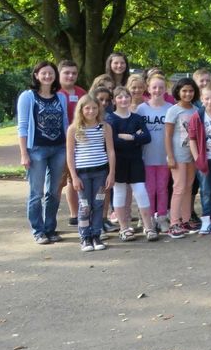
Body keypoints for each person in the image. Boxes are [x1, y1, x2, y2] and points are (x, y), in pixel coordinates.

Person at [18, 61, 70, 245]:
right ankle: (38, 230)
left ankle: (50, 228)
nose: (47, 76)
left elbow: (65, 124)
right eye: (43, 73)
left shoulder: (60, 97)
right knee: (36, 193)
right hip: (36, 150)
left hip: (59, 149)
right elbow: (23, 127)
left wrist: (69, 148)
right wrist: (24, 153)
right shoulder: (28, 97)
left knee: (54, 192)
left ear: (55, 76)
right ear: (36, 75)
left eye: (50, 73)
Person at [66, 94, 115, 252]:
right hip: (82, 174)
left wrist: (111, 173)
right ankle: (85, 237)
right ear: (81, 110)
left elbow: (110, 151)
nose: (91, 111)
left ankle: (96, 234)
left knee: (98, 204)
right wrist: (73, 176)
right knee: (85, 206)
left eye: (94, 108)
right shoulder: (74, 129)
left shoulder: (104, 127)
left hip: (100, 172)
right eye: (87, 108)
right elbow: (70, 154)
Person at [107, 86, 156, 241]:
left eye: (126, 96)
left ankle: (148, 226)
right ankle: (124, 228)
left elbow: (147, 137)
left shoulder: (136, 118)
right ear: (114, 100)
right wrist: (136, 136)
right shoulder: (110, 119)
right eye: (120, 97)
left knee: (141, 191)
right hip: (119, 161)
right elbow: (113, 142)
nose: (124, 100)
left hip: (135, 160)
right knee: (120, 192)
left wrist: (130, 137)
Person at [188, 85, 211, 235]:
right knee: (205, 191)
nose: (210, 101)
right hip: (204, 159)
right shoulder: (197, 116)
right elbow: (192, 139)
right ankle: (206, 219)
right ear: (202, 99)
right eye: (207, 98)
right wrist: (198, 159)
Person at [137, 73, 171, 232]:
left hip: (164, 156)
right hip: (146, 157)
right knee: (149, 189)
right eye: (154, 87)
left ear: (165, 89)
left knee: (162, 188)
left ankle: (162, 217)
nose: (157, 90)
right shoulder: (141, 109)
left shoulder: (170, 108)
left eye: (161, 87)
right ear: (148, 89)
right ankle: (148, 219)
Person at [165, 77, 199, 238]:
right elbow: (168, 135)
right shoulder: (173, 110)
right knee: (178, 188)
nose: (187, 94)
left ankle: (186, 219)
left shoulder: (195, 110)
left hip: (192, 155)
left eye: (191, 91)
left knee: (188, 187)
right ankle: (174, 223)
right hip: (178, 155)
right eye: (184, 90)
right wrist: (170, 156)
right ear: (178, 92)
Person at [57, 60, 85, 228]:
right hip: (61, 143)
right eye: (66, 73)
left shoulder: (81, 92)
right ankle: (72, 213)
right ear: (59, 74)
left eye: (74, 73)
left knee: (75, 177)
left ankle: (77, 213)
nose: (70, 76)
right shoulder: (55, 93)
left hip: (80, 142)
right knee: (62, 180)